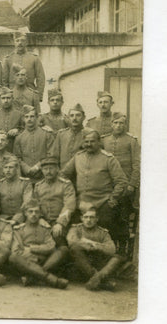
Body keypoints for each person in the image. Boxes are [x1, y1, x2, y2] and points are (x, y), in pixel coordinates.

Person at [60, 130, 128, 248]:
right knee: (70, 224)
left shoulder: (108, 158)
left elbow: (121, 181)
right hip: (81, 203)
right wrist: (71, 192)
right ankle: (76, 255)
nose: (89, 144)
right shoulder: (78, 157)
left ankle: (105, 255)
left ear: (99, 142)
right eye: (86, 142)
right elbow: (63, 175)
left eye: (92, 141)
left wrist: (113, 197)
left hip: (102, 203)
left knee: (106, 225)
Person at [102, 112, 141, 255]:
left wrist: (132, 184)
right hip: (108, 186)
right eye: (116, 123)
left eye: (121, 123)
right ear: (111, 124)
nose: (118, 126)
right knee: (109, 216)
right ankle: (111, 249)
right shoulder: (104, 140)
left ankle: (123, 250)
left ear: (125, 125)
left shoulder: (131, 140)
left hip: (125, 188)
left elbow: (137, 165)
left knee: (123, 218)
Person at [8, 199, 68, 289]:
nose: (33, 214)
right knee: (13, 257)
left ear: (40, 214)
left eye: (36, 212)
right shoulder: (18, 230)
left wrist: (31, 248)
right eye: (30, 212)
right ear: (25, 213)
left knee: (63, 249)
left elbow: (51, 246)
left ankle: (33, 277)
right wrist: (38, 255)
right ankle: (52, 280)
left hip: (43, 261)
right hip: (27, 262)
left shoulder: (45, 228)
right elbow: (16, 251)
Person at [67, 207, 123, 291]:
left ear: (97, 219)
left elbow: (111, 249)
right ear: (82, 218)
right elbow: (72, 242)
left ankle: (96, 279)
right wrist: (94, 246)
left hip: (97, 263)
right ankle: (102, 280)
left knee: (117, 257)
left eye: (92, 217)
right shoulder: (75, 229)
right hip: (81, 265)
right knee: (75, 248)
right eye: (86, 217)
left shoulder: (103, 233)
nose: (88, 220)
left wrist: (93, 244)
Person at [33, 156, 76, 251]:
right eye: (45, 169)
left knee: (58, 239)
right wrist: (39, 218)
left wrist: (60, 223)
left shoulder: (65, 184)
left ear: (57, 169)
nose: (48, 171)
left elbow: (69, 205)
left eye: (51, 168)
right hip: (43, 221)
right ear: (42, 170)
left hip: (60, 222)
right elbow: (35, 204)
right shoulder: (38, 186)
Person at [13, 105, 54, 181]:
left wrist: (37, 166)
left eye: (32, 116)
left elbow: (51, 154)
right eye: (27, 117)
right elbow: (17, 157)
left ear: (37, 117)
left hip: (44, 176)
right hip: (26, 176)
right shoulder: (19, 137)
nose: (29, 119)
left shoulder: (46, 134)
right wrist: (26, 168)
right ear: (23, 119)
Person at [3, 32, 45, 100]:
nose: (20, 43)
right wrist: (7, 95)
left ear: (26, 42)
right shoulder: (8, 59)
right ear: (14, 42)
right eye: (17, 40)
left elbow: (40, 78)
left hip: (30, 95)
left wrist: (39, 96)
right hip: (13, 96)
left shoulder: (34, 58)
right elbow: (4, 80)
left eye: (22, 40)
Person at [51, 103, 93, 168]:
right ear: (68, 118)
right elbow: (54, 156)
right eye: (72, 115)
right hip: (63, 173)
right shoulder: (61, 134)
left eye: (78, 115)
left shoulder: (90, 134)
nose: (74, 118)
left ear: (84, 117)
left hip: (81, 174)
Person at [0, 156, 33, 224]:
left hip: (22, 219)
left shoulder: (25, 183)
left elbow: (27, 203)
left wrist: (17, 219)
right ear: (3, 170)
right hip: (3, 219)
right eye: (5, 167)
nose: (8, 170)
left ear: (16, 169)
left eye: (10, 167)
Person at [0, 87, 23, 153]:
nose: (6, 101)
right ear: (0, 99)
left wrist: (17, 130)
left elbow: (25, 130)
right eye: (3, 98)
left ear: (12, 99)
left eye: (8, 98)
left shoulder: (19, 114)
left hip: (14, 149)